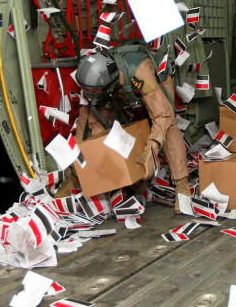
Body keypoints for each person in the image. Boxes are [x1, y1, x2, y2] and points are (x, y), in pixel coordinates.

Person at [74, 42, 191, 212]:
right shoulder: (98, 79)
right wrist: (81, 158)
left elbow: (162, 116)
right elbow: (87, 115)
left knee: (168, 125)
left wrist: (151, 150)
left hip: (154, 81)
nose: (90, 96)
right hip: (120, 87)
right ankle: (88, 178)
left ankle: (182, 188)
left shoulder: (141, 73)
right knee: (94, 120)